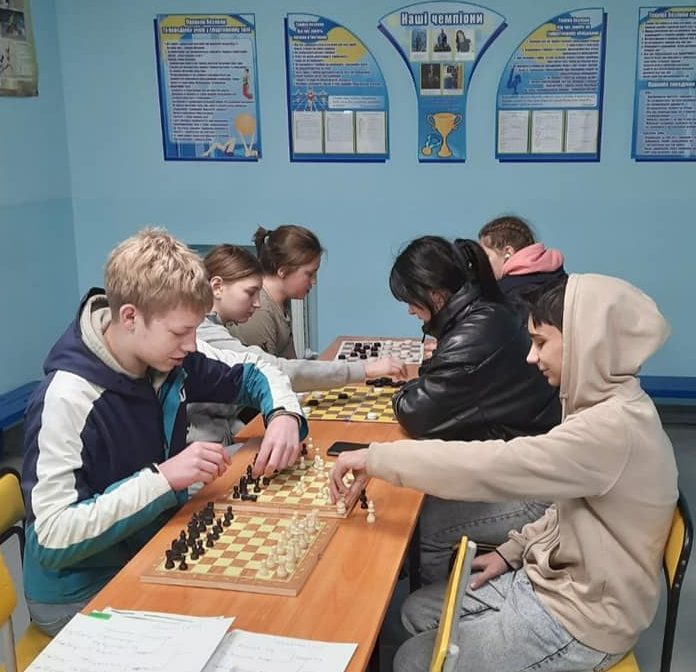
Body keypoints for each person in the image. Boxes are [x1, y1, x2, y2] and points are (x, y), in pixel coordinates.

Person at [330, 274, 678, 672]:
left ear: (586, 343)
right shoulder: (602, 404)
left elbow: (491, 465)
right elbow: (568, 508)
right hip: (551, 581)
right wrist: (512, 551)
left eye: (541, 342)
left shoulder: (611, 430)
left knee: (411, 659)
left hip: (582, 621)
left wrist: (377, 458)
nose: (531, 357)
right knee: (416, 611)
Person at [21, 228, 307, 636]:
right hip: (79, 591)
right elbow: (51, 538)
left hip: (151, 547)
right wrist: (164, 479)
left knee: (272, 597)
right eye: (179, 332)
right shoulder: (66, 398)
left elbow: (257, 369)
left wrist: (282, 416)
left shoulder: (170, 356)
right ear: (130, 317)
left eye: (195, 330)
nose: (191, 345)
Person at [388, 236, 560, 583]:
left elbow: (415, 412)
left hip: (537, 491)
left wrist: (403, 388)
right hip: (526, 461)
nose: (409, 311)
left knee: (427, 523)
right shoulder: (485, 312)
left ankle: (434, 605)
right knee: (425, 487)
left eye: (411, 301)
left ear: (436, 295)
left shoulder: (474, 332)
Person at [188, 244, 407, 444]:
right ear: (217, 287)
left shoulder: (217, 326)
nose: (257, 303)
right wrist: (364, 369)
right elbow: (275, 369)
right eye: (250, 292)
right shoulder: (204, 332)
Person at [229, 225, 321, 358]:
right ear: (283, 271)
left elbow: (290, 363)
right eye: (309, 274)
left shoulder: (282, 301)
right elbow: (264, 368)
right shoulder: (259, 311)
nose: (314, 281)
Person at [478, 215, 566, 313]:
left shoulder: (503, 294)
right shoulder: (562, 279)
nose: (482, 263)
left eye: (486, 256)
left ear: (508, 252)